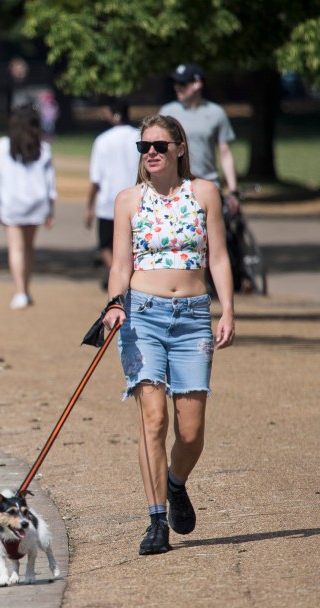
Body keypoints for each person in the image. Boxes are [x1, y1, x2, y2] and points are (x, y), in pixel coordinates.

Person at [102, 114, 235, 555]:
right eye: (144, 147)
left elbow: (218, 258)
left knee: (191, 432)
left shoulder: (204, 194)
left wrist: (228, 309)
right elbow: (120, 264)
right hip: (143, 316)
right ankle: (156, 520)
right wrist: (115, 303)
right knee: (153, 420)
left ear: (180, 147)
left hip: (193, 316)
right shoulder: (128, 201)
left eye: (159, 145)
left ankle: (175, 483)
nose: (151, 153)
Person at [0, 105, 56, 310]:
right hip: (37, 203)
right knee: (28, 247)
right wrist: (51, 209)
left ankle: (20, 291)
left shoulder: (1, 147)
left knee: (16, 248)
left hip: (12, 203)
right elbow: (50, 181)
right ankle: (26, 286)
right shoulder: (43, 148)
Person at [159, 64, 240, 216]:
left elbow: (225, 152)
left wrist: (233, 189)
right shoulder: (167, 112)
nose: (177, 87)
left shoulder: (216, 113)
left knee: (214, 236)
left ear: (197, 84)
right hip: (176, 187)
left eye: (182, 84)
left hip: (209, 185)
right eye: (175, 83)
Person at [85, 98, 140, 288]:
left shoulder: (102, 140)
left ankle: (119, 275)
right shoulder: (140, 137)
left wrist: (89, 207)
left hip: (109, 202)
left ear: (112, 113)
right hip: (137, 199)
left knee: (105, 246)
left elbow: (96, 179)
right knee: (134, 244)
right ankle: (128, 276)